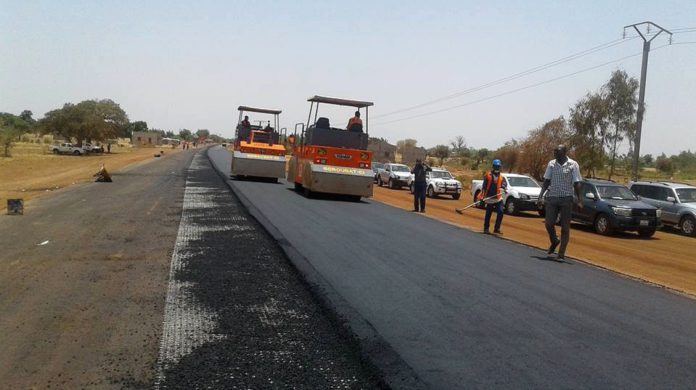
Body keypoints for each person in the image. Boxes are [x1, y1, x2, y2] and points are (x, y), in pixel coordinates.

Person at [537, 144, 583, 260]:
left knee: (565, 227)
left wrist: (579, 200)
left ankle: (561, 254)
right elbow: (547, 180)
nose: (555, 153)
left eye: (557, 151)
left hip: (566, 198)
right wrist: (540, 196)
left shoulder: (573, 165)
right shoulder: (551, 164)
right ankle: (554, 240)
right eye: (554, 151)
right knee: (549, 223)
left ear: (564, 152)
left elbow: (577, 182)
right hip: (552, 197)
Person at [479, 159, 507, 234]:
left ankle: (496, 228)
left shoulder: (501, 177)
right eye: (496, 166)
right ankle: (486, 228)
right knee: (488, 213)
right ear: (493, 167)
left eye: (498, 167)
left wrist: (504, 187)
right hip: (489, 198)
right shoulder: (488, 176)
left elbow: (504, 184)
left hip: (498, 198)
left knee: (501, 212)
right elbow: (484, 187)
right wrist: (482, 197)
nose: (497, 168)